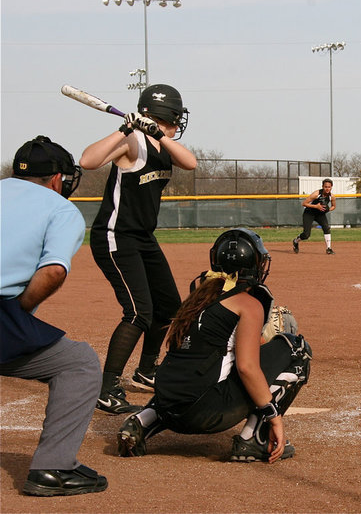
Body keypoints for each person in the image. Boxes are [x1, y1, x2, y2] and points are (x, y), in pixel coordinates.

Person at [115, 228, 312, 463]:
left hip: (167, 405)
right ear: (253, 265)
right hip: (205, 414)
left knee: (190, 369)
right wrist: (274, 417)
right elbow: (247, 367)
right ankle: (254, 439)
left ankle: (144, 420)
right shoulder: (248, 304)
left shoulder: (198, 295)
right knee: (296, 348)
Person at [79, 84, 197, 414]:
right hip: (116, 237)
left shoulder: (163, 145)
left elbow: (191, 163)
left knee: (169, 307)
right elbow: (88, 160)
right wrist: (126, 128)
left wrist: (158, 134)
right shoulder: (131, 141)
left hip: (143, 238)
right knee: (138, 312)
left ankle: (146, 371)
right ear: (170, 115)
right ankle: (107, 387)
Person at [0, 136, 108, 496]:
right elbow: (53, 272)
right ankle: (53, 468)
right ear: (59, 179)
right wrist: (21, 312)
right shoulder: (61, 209)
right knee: (78, 363)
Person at [292, 178, 336, 255]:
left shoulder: (331, 196)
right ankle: (296, 241)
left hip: (320, 214)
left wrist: (328, 210)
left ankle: (329, 248)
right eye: (325, 186)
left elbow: (333, 206)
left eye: (329, 187)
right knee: (306, 235)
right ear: (322, 186)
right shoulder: (316, 194)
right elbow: (304, 203)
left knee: (326, 228)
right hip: (309, 213)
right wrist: (316, 206)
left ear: (331, 187)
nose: (327, 188)